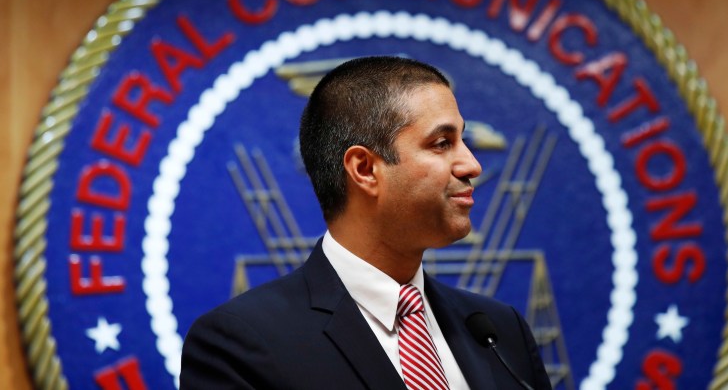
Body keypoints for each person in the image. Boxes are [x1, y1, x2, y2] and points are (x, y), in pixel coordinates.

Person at [180, 56, 551, 389]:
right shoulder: (240, 343)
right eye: (442, 143)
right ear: (364, 169)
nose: (472, 165)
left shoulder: (501, 330)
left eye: (464, 141)